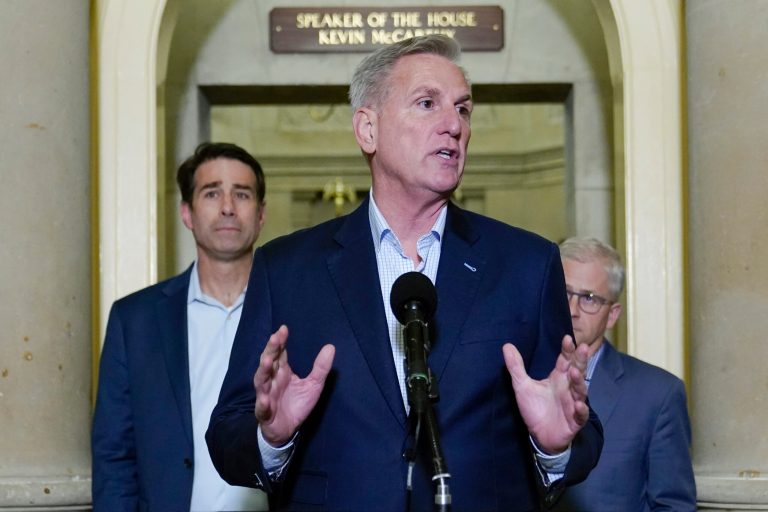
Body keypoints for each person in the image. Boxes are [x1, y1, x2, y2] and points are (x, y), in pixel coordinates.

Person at [207, 35, 602, 511]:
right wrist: (272, 436)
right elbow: (228, 435)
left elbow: (581, 430)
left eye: (463, 109)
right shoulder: (287, 270)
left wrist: (554, 447)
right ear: (367, 130)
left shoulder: (527, 265)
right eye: (427, 103)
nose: (453, 126)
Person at [92, 142, 268, 511]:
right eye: (211, 192)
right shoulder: (135, 321)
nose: (227, 207)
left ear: (261, 213)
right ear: (186, 213)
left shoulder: (295, 311)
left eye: (242, 193)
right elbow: (115, 454)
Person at [553, 236, 697, 511]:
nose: (572, 310)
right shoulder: (513, 378)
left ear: (612, 315)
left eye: (589, 299)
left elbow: (673, 505)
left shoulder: (657, 395)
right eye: (564, 292)